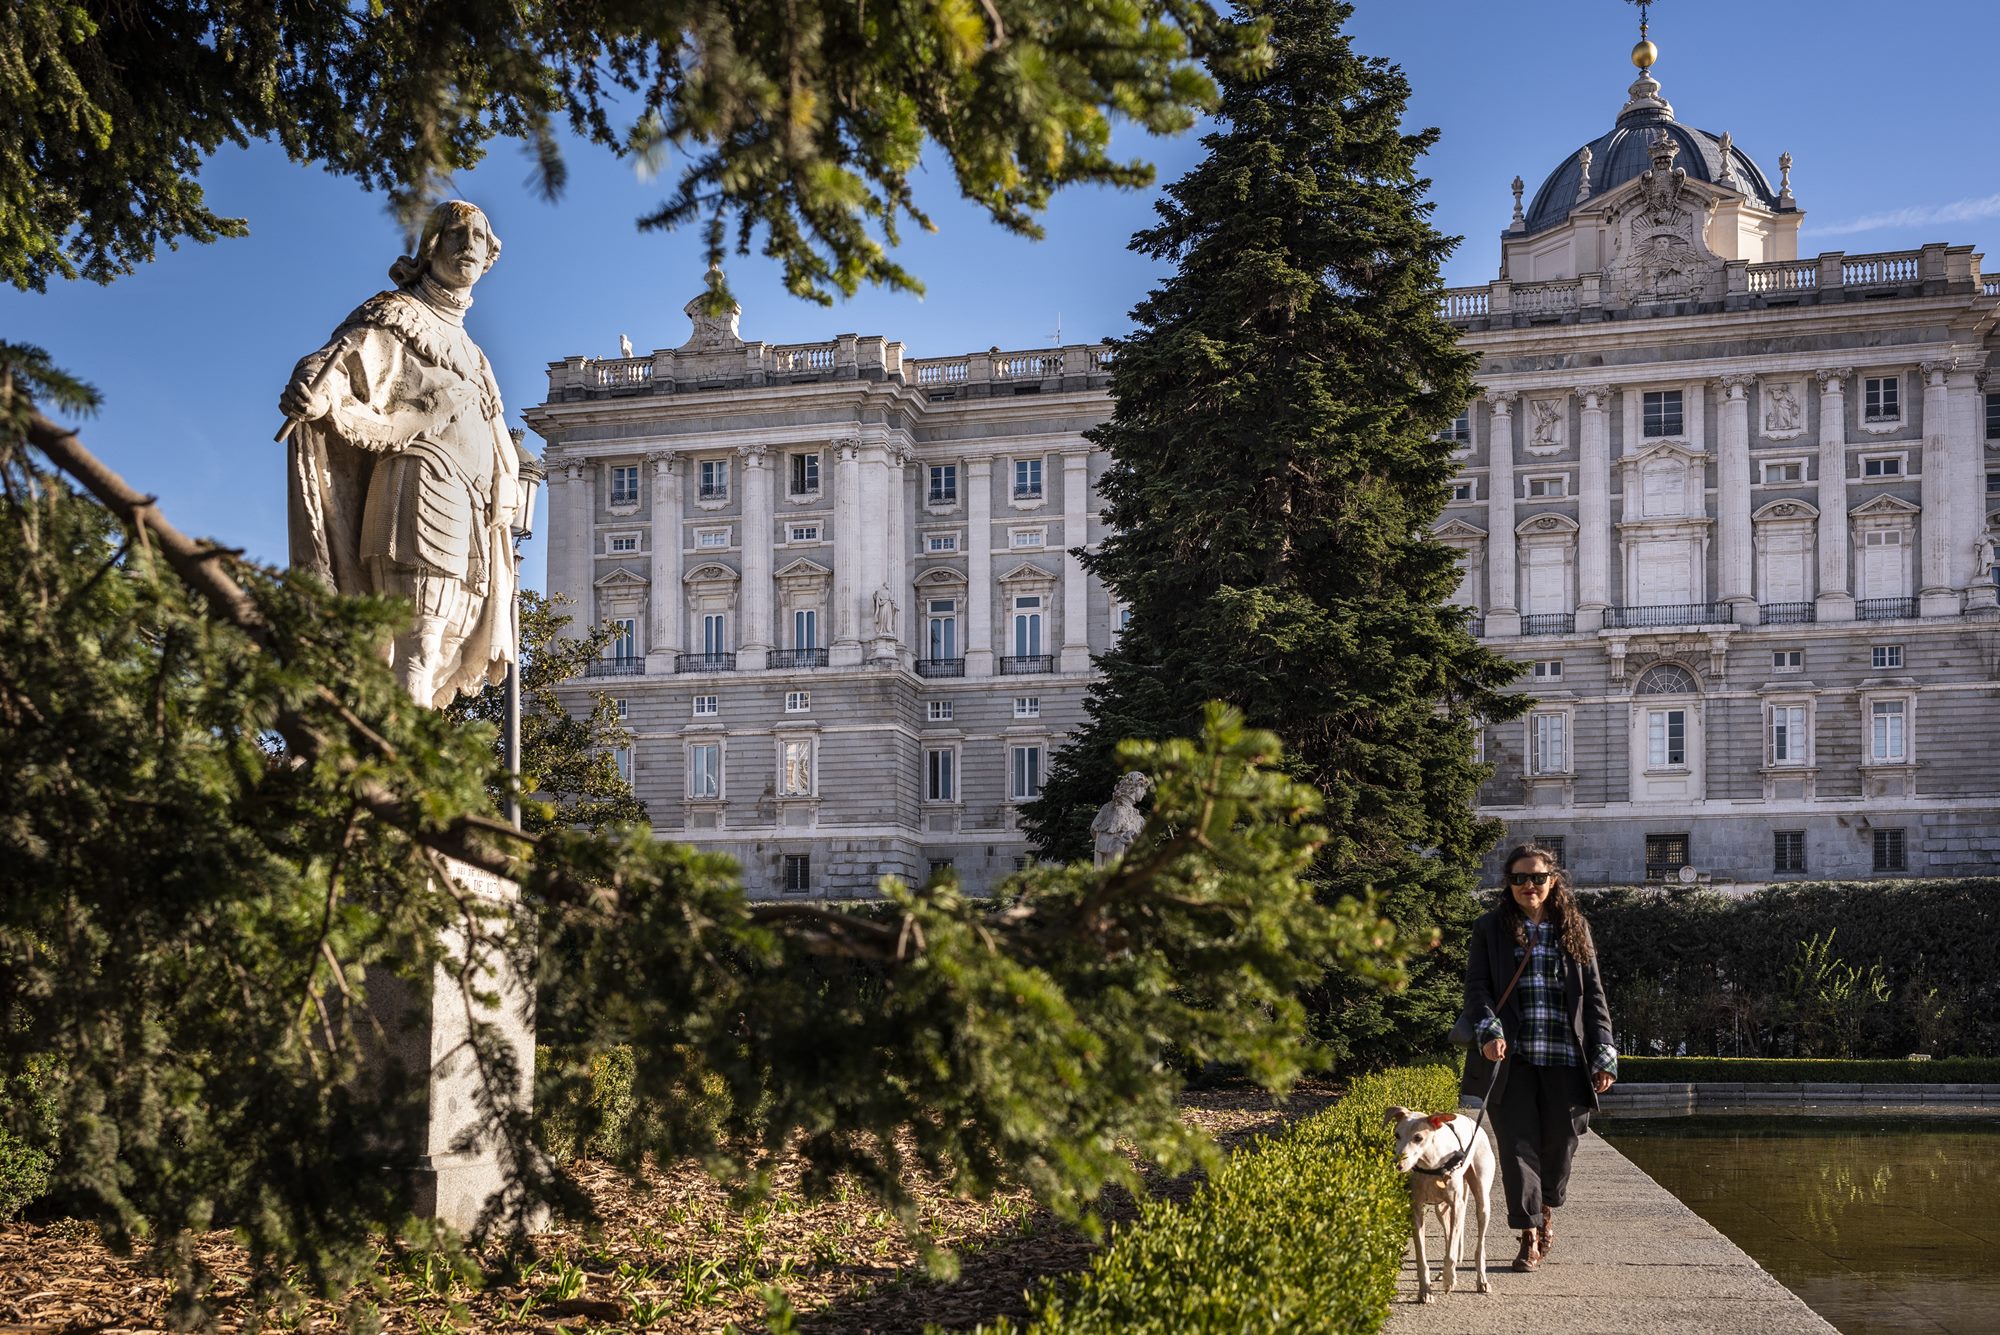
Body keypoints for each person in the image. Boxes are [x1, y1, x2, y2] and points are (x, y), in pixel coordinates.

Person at [280, 200, 522, 709]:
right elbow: (337, 363)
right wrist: (315, 393)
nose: (468, 247)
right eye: (456, 235)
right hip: (419, 484)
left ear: (489, 257)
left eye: (478, 238)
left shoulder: (473, 353)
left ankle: (399, 763)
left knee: (436, 652)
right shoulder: (396, 314)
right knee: (416, 647)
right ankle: (398, 777)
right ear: (430, 247)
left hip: (473, 504)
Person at [1460, 843, 1617, 1273]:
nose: (1529, 885)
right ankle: (1528, 1233)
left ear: (1553, 881)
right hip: (1514, 1058)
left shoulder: (1574, 926)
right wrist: (1489, 1030)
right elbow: (1477, 989)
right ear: (1508, 884)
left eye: (1537, 877)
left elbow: (1594, 995)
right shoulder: (1490, 928)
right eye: (1519, 878)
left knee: (1561, 1145)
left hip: (1566, 1058)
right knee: (1516, 1147)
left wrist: (1604, 1051)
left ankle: (1546, 1207)